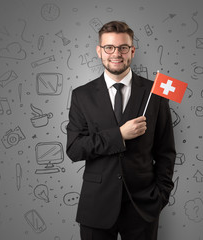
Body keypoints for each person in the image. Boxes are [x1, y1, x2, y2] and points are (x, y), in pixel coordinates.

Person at [66, 21, 176, 240]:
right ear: (99, 51)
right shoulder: (82, 95)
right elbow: (75, 149)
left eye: (123, 47)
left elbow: (166, 152)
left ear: (132, 51)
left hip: (143, 206)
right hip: (96, 206)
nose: (116, 53)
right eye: (109, 47)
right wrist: (119, 135)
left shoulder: (155, 94)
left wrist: (161, 196)